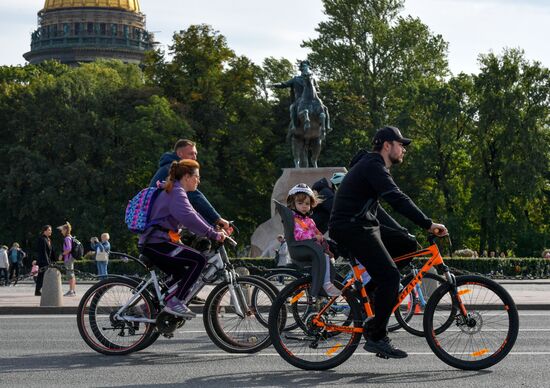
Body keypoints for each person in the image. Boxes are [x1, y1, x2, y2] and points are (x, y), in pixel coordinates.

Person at [329, 126, 447, 359]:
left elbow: (379, 209)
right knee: (391, 277)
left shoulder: (373, 166)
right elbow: (396, 198)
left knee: (407, 244)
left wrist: (402, 232)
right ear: (387, 145)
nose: (403, 149)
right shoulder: (373, 165)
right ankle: (377, 336)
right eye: (401, 144)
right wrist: (428, 223)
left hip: (361, 223)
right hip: (351, 227)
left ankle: (371, 293)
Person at [139, 159, 226, 318]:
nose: (199, 180)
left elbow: (195, 215)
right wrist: (213, 234)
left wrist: (214, 228)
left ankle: (151, 306)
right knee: (198, 260)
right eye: (197, 177)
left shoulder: (176, 191)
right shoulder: (176, 193)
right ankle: (176, 302)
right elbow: (189, 218)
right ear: (186, 176)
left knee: (182, 273)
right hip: (156, 244)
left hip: (155, 243)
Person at [287, 183, 340, 297]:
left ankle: (326, 283)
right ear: (293, 203)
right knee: (323, 256)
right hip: (302, 248)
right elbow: (299, 235)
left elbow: (316, 231)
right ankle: (326, 284)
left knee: (329, 257)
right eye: (300, 203)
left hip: (311, 247)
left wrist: (320, 236)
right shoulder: (295, 219)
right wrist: (314, 237)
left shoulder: (309, 221)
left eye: (307, 203)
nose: (304, 206)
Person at [272, 60, 331, 139]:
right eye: (303, 66)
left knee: (325, 108)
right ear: (301, 69)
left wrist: (315, 92)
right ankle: (294, 126)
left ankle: (327, 126)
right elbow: (284, 84)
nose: (305, 67)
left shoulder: (312, 79)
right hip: (300, 99)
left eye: (306, 66)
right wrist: (276, 85)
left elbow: (318, 89)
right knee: (292, 107)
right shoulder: (296, 79)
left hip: (312, 98)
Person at [57, 222, 77, 296]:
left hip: (68, 258)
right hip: (71, 258)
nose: (61, 231)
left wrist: (62, 254)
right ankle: (73, 291)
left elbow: (68, 249)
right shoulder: (70, 237)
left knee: (70, 275)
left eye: (62, 230)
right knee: (72, 275)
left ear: (65, 230)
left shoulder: (67, 238)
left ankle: (71, 291)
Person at [35, 225, 55, 296]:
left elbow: (51, 251)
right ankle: (37, 291)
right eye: (49, 230)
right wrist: (47, 262)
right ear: (45, 231)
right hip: (43, 261)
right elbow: (43, 252)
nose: (51, 231)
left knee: (45, 276)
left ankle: (43, 290)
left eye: (51, 230)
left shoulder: (48, 239)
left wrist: (53, 260)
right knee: (41, 276)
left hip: (48, 261)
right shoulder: (41, 239)